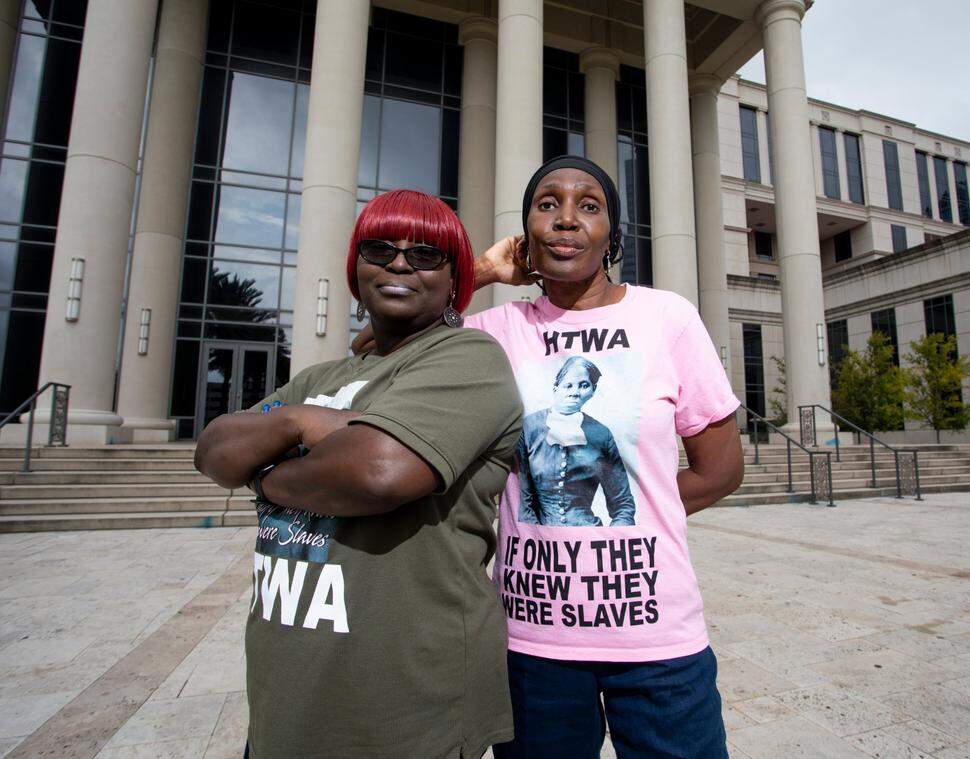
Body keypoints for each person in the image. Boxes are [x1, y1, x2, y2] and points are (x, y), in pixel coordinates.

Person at [355, 156, 745, 758]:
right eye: (547, 204)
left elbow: (721, 471)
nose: (567, 219)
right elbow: (375, 348)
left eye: (589, 205)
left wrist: (636, 511)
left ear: (612, 235)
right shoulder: (490, 332)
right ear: (526, 235)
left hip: (657, 639)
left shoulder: (666, 317)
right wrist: (477, 273)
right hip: (531, 644)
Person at [195, 189, 523, 758]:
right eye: (381, 248)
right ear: (356, 267)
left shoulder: (470, 358)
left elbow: (380, 473)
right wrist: (306, 419)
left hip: (407, 715)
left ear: (455, 281)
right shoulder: (319, 378)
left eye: (425, 254)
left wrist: (269, 464)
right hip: (284, 709)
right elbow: (215, 451)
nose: (399, 263)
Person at [517, 354, 636, 526]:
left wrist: (612, 537)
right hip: (541, 542)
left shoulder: (601, 434)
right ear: (556, 387)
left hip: (590, 537)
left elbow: (623, 505)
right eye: (568, 385)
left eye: (584, 385)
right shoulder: (529, 427)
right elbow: (522, 499)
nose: (575, 392)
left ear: (593, 390)